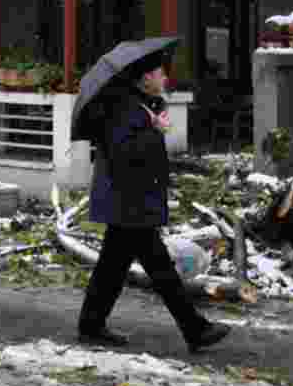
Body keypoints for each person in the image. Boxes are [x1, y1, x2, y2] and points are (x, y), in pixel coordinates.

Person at [78, 49, 231, 353]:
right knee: (161, 269)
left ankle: (91, 325)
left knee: (113, 267)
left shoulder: (138, 105)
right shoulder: (123, 108)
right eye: (160, 73)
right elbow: (124, 154)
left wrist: (153, 122)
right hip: (128, 202)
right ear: (146, 78)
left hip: (130, 202)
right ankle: (195, 328)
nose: (165, 78)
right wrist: (153, 130)